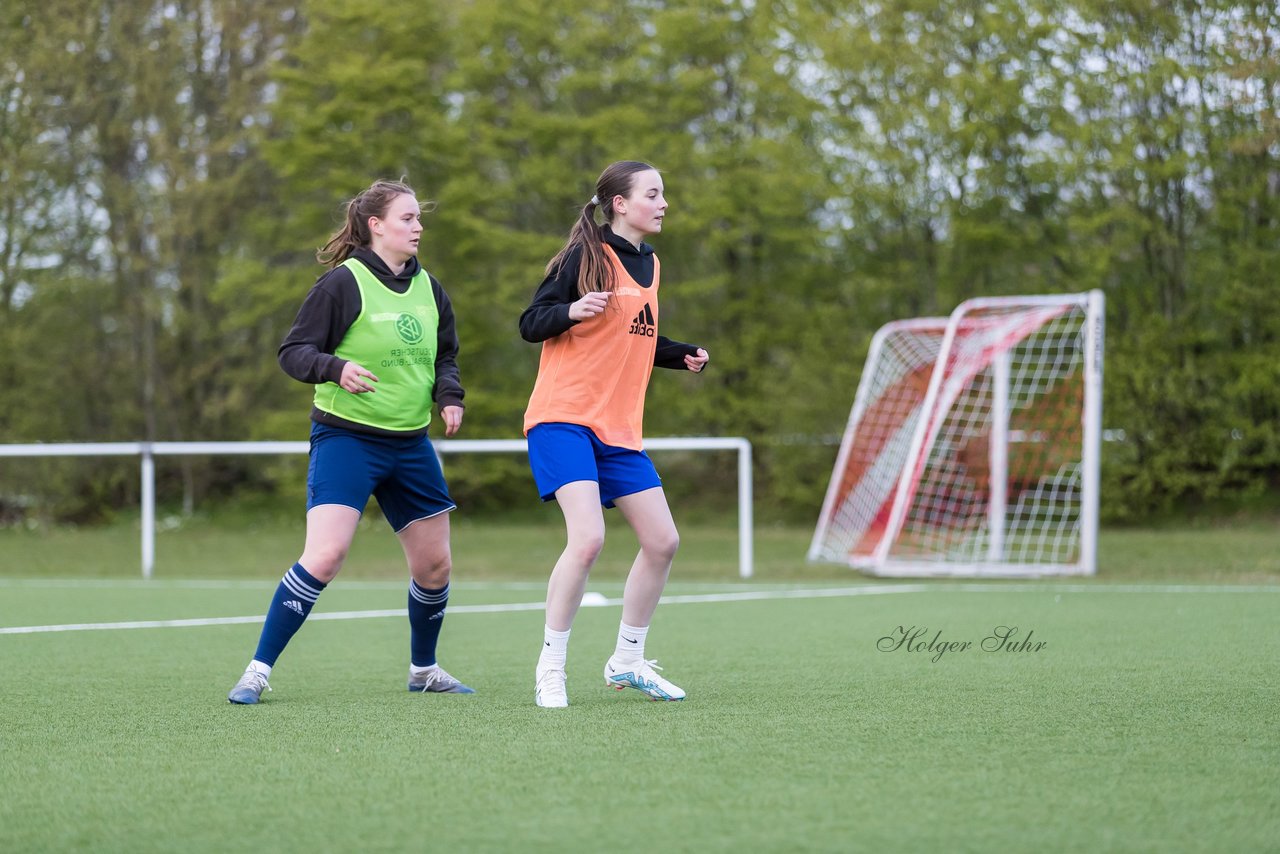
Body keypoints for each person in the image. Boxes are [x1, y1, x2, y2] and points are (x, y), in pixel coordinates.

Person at [227, 179, 474, 704]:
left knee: (435, 566)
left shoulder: (432, 289)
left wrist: (449, 395)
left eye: (419, 218)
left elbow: (445, 355)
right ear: (375, 226)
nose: (418, 227)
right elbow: (294, 352)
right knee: (326, 555)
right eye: (407, 218)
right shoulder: (343, 284)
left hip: (410, 443)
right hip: (347, 439)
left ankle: (424, 669)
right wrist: (334, 368)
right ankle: (257, 670)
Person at [519, 160, 710, 708]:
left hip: (619, 430)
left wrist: (681, 354)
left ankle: (627, 660)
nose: (664, 202)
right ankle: (551, 667)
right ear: (621, 203)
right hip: (563, 419)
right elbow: (532, 321)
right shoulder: (585, 256)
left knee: (663, 541)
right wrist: (571, 310)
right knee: (589, 539)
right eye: (654, 193)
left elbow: (637, 335)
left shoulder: (650, 263)